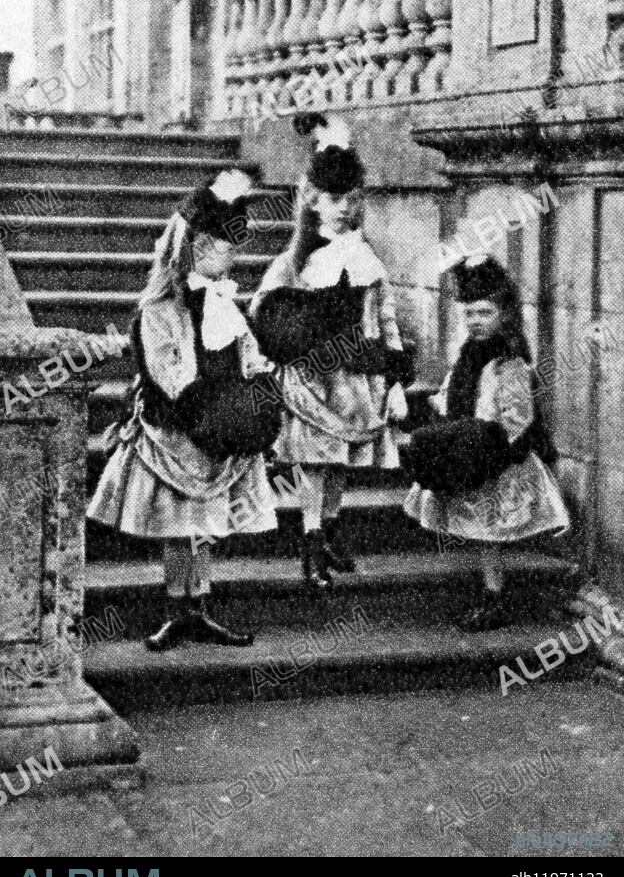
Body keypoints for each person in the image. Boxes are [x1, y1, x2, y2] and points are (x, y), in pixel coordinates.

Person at [87, 169, 282, 651]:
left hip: (221, 427)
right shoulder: (159, 309)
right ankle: (178, 608)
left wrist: (258, 392)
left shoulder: (226, 303)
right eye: (223, 244)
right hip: (179, 430)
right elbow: (171, 374)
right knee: (180, 527)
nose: (232, 253)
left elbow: (249, 355)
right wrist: (212, 411)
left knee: (206, 526)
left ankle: (200, 604)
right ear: (195, 245)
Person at [251, 123, 411, 589]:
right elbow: (264, 311)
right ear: (313, 200)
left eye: (353, 197)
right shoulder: (294, 260)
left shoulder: (365, 256)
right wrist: (294, 336)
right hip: (311, 379)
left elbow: (384, 317)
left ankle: (333, 528)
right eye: (334, 197)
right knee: (317, 462)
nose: (345, 207)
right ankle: (311, 542)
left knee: (342, 460)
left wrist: (395, 375)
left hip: (355, 376)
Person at [404, 254, 570, 630]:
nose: (476, 321)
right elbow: (452, 395)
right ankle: (487, 591)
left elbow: (518, 417)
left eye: (485, 313)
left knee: (489, 531)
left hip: (499, 458)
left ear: (503, 315)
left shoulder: (508, 361)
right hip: (471, 448)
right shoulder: (468, 355)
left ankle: (494, 598)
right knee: (480, 531)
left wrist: (488, 449)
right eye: (470, 314)